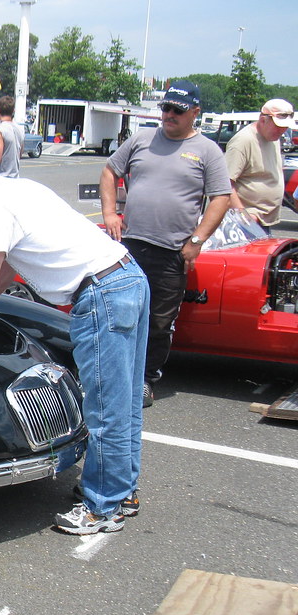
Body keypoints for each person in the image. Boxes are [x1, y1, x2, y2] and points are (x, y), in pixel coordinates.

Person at [0, 169, 149, 535]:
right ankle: (121, 492)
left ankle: (102, 507)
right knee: (124, 401)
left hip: (102, 293)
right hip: (125, 278)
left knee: (104, 406)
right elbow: (3, 276)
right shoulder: (10, 192)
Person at [99, 80, 231, 408]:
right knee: (120, 310)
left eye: (177, 110)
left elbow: (221, 198)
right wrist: (110, 214)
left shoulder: (208, 151)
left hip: (172, 251)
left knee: (158, 321)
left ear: (195, 113)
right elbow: (109, 172)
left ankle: (145, 378)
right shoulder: (142, 139)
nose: (169, 115)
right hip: (129, 245)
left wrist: (197, 240)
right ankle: (113, 373)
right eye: (165, 108)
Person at [225, 98, 296, 233]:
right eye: (279, 126)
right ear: (263, 120)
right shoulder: (243, 141)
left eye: (285, 127)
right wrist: (244, 218)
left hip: (263, 221)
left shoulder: (273, 138)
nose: (282, 131)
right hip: (245, 224)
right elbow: (225, 184)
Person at [0, 95, 24, 178]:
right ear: (13, 111)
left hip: (1, 178)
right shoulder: (20, 130)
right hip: (15, 178)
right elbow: (20, 154)